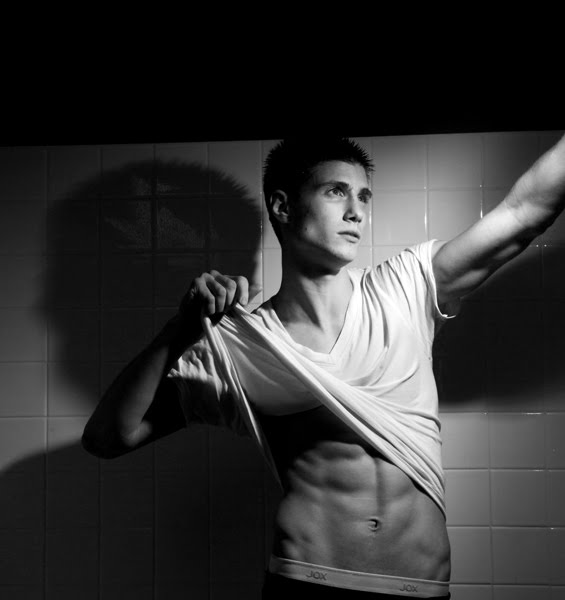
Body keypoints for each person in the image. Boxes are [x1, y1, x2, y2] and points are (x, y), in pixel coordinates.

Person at [82, 134, 565, 599]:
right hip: (307, 584)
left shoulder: (405, 289)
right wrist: (179, 330)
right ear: (283, 206)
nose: (357, 211)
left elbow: (524, 212)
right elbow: (107, 437)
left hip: (420, 588)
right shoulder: (242, 346)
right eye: (336, 191)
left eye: (364, 196)